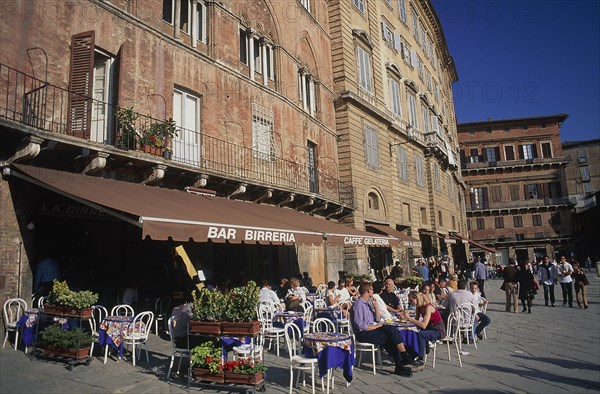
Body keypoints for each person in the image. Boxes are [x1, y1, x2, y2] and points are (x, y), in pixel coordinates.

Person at [350, 282, 413, 376]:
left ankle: (403, 356)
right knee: (388, 338)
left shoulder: (367, 304)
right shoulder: (358, 305)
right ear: (368, 291)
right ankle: (400, 364)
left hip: (372, 328)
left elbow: (377, 319)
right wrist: (375, 326)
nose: (373, 291)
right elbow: (360, 325)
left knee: (391, 330)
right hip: (363, 333)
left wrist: (376, 307)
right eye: (371, 289)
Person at [403, 291, 445, 366]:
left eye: (411, 300)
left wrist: (410, 319)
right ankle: (411, 354)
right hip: (429, 329)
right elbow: (416, 322)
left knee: (421, 335)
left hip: (437, 330)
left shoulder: (428, 307)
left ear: (416, 299)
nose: (409, 302)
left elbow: (423, 325)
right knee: (411, 333)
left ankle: (421, 358)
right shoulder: (419, 307)